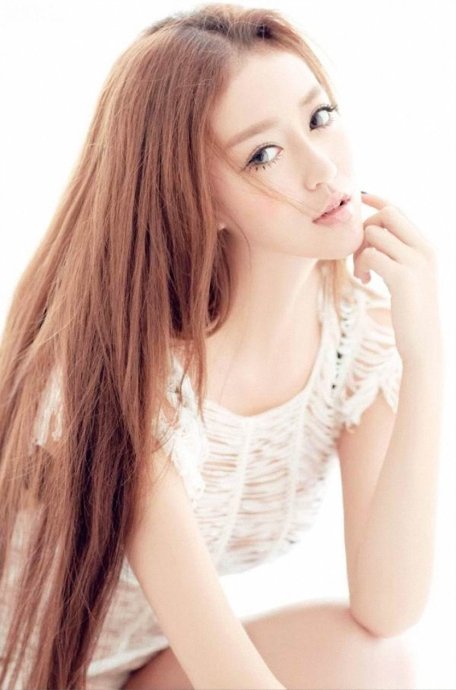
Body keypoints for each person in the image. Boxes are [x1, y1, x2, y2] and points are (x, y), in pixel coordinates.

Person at [1, 3, 433, 689]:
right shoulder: (133, 376)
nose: (323, 169)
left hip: (141, 669)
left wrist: (426, 357)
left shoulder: (353, 341)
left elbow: (388, 608)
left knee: (376, 660)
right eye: (264, 154)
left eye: (319, 116)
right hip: (33, 672)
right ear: (198, 198)